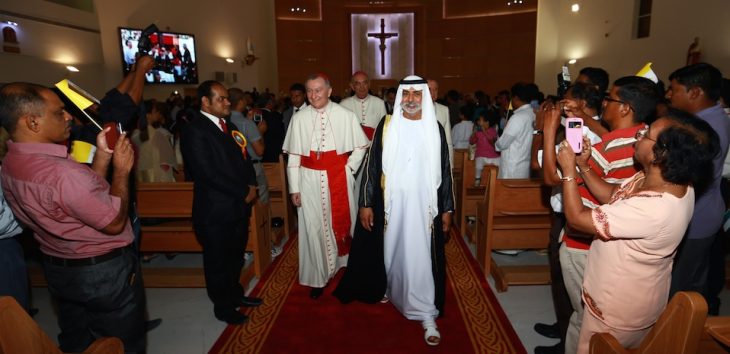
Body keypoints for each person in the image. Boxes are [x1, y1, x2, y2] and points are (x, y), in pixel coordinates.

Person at [555, 109, 719, 354]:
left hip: (618, 307)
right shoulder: (662, 179)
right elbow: (614, 196)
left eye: (646, 135)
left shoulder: (655, 208)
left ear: (661, 154)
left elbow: (578, 220)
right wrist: (583, 166)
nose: (638, 135)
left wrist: (568, 171)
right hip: (630, 293)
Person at [0, 82, 146, 352]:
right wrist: (122, 172)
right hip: (101, 272)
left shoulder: (12, 162)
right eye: (59, 113)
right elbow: (113, 222)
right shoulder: (61, 172)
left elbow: (85, 197)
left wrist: (102, 156)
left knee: (77, 337)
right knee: (121, 342)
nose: (68, 116)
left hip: (61, 265)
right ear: (32, 122)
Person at [540, 76, 659, 354]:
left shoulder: (607, 150)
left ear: (626, 107)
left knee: (584, 317)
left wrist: (548, 131)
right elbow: (609, 137)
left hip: (584, 241)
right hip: (610, 242)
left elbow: (551, 177)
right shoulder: (640, 137)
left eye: (610, 99)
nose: (604, 103)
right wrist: (582, 117)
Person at [334, 75, 454, 347]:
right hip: (391, 207)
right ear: (400, 97)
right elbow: (372, 167)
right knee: (392, 252)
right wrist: (365, 202)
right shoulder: (387, 126)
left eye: (417, 93)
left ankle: (425, 311)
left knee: (421, 257)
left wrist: (447, 208)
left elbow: (444, 171)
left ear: (425, 96)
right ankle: (392, 288)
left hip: (424, 209)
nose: (411, 99)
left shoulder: (434, 127)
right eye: (407, 94)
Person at [180, 80, 262, 325]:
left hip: (237, 206)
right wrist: (242, 191)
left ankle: (235, 295)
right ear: (205, 102)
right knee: (218, 261)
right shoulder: (195, 130)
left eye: (227, 98)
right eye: (221, 99)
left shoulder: (229, 125)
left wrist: (251, 185)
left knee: (235, 256)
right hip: (215, 210)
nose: (227, 102)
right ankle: (223, 307)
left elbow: (244, 156)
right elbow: (207, 172)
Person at [282, 73, 369, 299]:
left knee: (340, 223)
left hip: (338, 177)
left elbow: (361, 146)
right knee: (313, 228)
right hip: (308, 179)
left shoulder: (344, 115)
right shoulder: (298, 119)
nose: (313, 95)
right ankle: (318, 276)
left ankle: (344, 266)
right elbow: (293, 157)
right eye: (310, 91)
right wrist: (294, 189)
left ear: (329, 91)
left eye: (318, 90)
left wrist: (349, 169)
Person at [665, 63, 730, 315]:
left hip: (695, 216)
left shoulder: (703, 129)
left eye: (674, 90)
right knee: (693, 283)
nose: (669, 95)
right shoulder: (713, 116)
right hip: (705, 211)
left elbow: (683, 176)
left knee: (678, 291)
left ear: (695, 92)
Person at [229, 87, 269, 204]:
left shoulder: (225, 121)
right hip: (252, 167)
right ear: (241, 101)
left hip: (234, 167)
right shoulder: (247, 123)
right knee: (261, 202)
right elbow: (260, 151)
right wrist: (260, 132)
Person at [495, 82, 537, 179]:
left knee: (508, 193)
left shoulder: (517, 117)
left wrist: (495, 141)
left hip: (512, 166)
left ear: (516, 98)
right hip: (525, 163)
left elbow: (503, 143)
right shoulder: (534, 114)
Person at [131, 99, 177, 182]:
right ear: (148, 115)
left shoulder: (136, 133)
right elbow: (165, 164)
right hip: (155, 177)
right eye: (155, 111)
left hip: (140, 177)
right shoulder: (155, 135)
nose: (158, 113)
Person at [340, 71, 387, 140]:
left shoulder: (380, 103)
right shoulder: (343, 104)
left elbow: (384, 129)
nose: (362, 87)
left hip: (373, 146)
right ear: (352, 86)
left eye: (364, 83)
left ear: (369, 85)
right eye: (358, 84)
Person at [469, 109, 500, 186]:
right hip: (481, 155)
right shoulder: (478, 133)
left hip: (493, 155)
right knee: (478, 165)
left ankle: (499, 180)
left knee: (501, 163)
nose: (479, 122)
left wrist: (484, 132)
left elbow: (491, 140)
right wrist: (473, 133)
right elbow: (471, 142)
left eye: (480, 120)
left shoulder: (492, 131)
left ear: (487, 122)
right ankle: (477, 179)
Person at [428, 79, 454, 166]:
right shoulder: (414, 111)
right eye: (429, 89)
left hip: (439, 158)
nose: (433, 92)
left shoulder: (444, 110)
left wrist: (450, 164)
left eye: (435, 89)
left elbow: (448, 140)